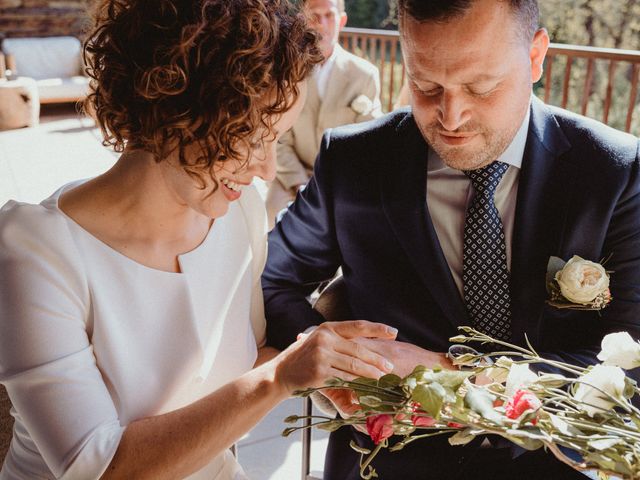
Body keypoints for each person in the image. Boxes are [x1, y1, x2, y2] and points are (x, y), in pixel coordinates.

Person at [0, 1, 399, 479]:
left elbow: (248, 364)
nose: (267, 169)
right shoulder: (34, 252)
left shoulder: (239, 211)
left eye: (279, 140)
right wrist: (281, 376)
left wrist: (324, 365)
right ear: (179, 112)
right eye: (256, 138)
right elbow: (97, 469)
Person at [262, 0, 640, 479]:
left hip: (554, 460)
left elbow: (631, 363)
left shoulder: (615, 172)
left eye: (481, 87)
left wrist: (447, 372)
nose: (451, 116)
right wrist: (332, 362)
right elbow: (271, 282)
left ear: (535, 57)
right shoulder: (354, 161)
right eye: (425, 86)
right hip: (388, 461)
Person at [265, 0, 383, 228]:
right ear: (302, 21)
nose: (322, 24)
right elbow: (278, 137)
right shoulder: (287, 71)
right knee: (270, 219)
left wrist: (331, 187)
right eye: (314, 16)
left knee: (355, 225)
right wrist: (299, 183)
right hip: (291, 175)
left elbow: (367, 142)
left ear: (342, 20)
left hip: (340, 181)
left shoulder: (364, 75)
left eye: (329, 15)